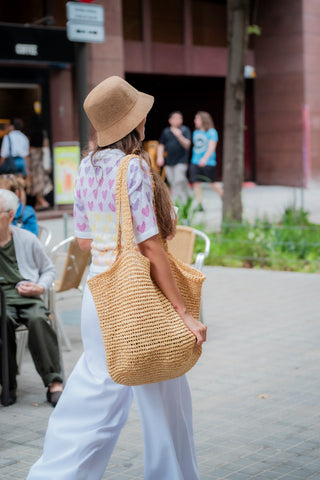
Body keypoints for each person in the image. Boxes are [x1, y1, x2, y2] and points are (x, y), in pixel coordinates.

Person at [27, 76, 207, 480]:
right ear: (133, 124)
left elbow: (86, 241)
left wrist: (116, 237)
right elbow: (151, 248)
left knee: (94, 395)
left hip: (101, 292)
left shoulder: (87, 168)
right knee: (165, 400)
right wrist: (184, 312)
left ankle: (55, 473)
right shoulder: (134, 169)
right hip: (138, 295)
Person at [0, 189, 63, 407]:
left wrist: (39, 287)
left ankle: (54, 382)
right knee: (3, 321)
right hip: (2, 300)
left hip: (27, 295)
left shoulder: (26, 239)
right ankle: (7, 383)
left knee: (38, 319)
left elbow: (49, 269)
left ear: (9, 216)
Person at [190, 111, 223, 211]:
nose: (195, 121)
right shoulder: (196, 132)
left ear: (203, 120)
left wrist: (204, 159)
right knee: (196, 183)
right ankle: (200, 205)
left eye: (197, 119)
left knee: (212, 183)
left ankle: (224, 199)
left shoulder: (212, 132)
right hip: (195, 161)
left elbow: (212, 147)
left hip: (208, 162)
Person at [157, 111, 191, 204]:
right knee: (173, 181)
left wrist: (179, 136)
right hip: (169, 161)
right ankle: (188, 196)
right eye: (176, 118)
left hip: (181, 161)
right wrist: (159, 157)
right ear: (170, 120)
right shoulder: (166, 131)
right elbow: (161, 145)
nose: (178, 120)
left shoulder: (185, 130)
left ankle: (177, 203)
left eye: (180, 118)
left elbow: (187, 145)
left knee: (178, 180)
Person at [28, 102, 53, 211]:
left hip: (34, 157)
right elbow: (46, 145)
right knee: (40, 180)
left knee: (36, 181)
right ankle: (39, 203)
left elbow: (28, 147)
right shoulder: (43, 132)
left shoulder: (30, 133)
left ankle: (43, 202)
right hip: (41, 157)